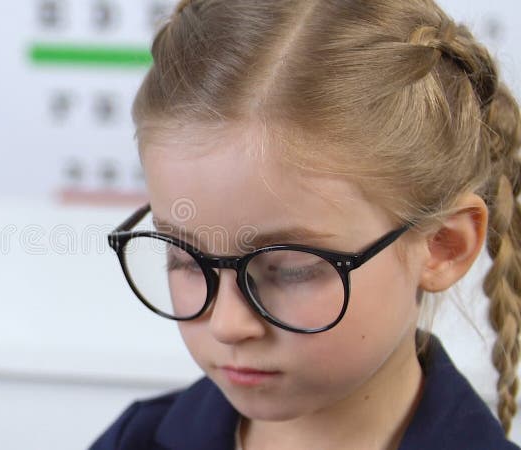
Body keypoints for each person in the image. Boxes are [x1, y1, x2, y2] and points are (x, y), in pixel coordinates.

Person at [91, 0, 521, 449]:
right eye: (184, 258)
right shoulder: (133, 440)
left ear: (442, 245)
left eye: (290, 268)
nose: (228, 325)